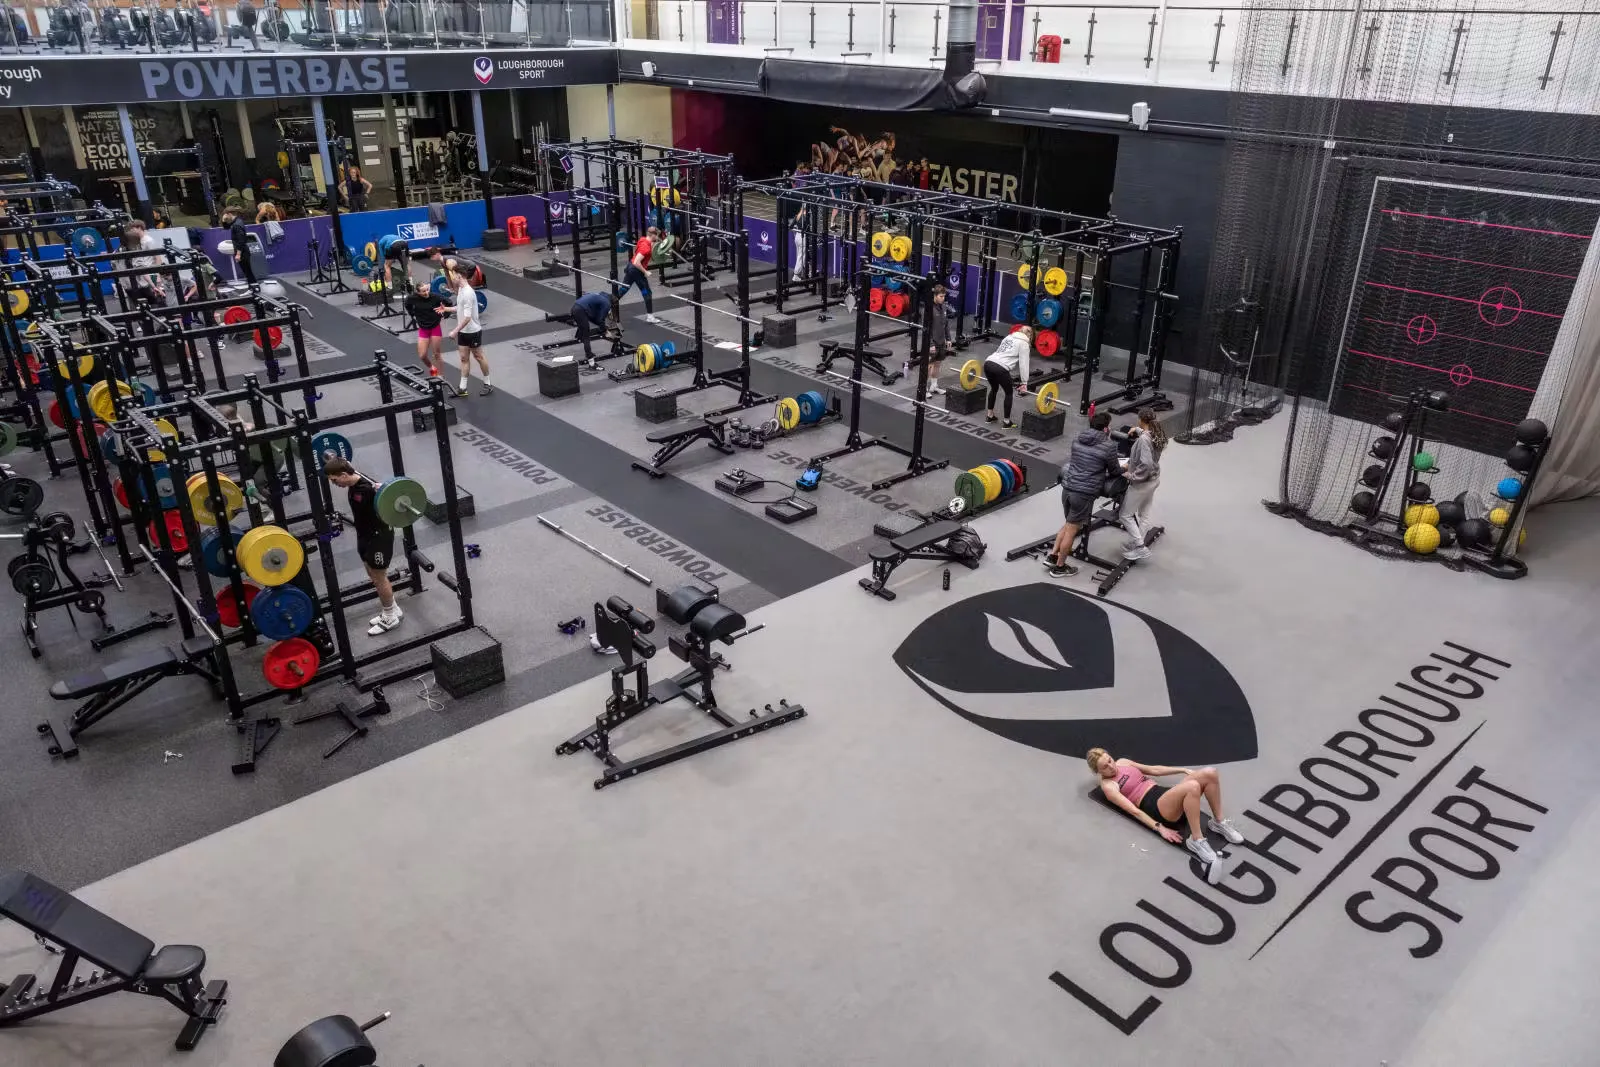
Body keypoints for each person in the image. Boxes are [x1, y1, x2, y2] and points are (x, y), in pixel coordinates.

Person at [1087, 748, 1245, 885]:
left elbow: (1153, 770)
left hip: (1163, 794)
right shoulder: (1109, 787)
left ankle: (1218, 822)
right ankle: (1196, 840)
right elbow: (1134, 811)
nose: (1111, 766)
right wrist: (1160, 828)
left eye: (1109, 760)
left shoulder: (1123, 762)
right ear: (1098, 772)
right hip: (1155, 807)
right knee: (1193, 786)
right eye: (1105, 767)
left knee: (1210, 773)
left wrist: (1182, 770)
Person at [322, 457, 404, 637]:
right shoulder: (355, 481)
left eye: (335, 480)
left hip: (379, 537)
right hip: (364, 536)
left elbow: (394, 501)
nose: (334, 484)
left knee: (379, 577)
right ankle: (393, 608)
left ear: (344, 475)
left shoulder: (369, 489)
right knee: (371, 573)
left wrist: (384, 491)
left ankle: (390, 617)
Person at [1042, 410, 1123, 578]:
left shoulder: (1077, 439)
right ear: (1106, 429)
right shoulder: (1108, 446)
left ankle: (1053, 556)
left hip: (1068, 487)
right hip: (1083, 493)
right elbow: (1114, 470)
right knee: (1072, 529)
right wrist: (1125, 468)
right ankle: (1059, 567)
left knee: (1068, 524)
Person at [1119, 409, 1167, 562]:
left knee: (1125, 515)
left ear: (1141, 419)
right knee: (1144, 514)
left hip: (1142, 483)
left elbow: (1145, 463)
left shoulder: (1143, 440)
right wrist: (1137, 430)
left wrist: (1132, 476)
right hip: (1154, 480)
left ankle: (1140, 547)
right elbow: (1147, 435)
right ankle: (1136, 543)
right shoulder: (1157, 432)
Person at [441, 269, 490, 396]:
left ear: (460, 277)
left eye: (453, 276)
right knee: (464, 358)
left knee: (479, 357)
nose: (452, 279)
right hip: (463, 331)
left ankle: (488, 384)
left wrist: (455, 331)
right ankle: (463, 389)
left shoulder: (468, 293)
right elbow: (460, 308)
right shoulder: (461, 290)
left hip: (473, 331)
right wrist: (446, 309)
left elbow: (467, 318)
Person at [903, 284, 953, 396]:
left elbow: (946, 324)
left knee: (937, 364)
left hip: (941, 342)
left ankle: (934, 386)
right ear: (935, 295)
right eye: (941, 296)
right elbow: (926, 329)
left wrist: (948, 338)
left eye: (944, 296)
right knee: (929, 365)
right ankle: (923, 388)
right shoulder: (928, 309)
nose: (943, 298)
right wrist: (930, 344)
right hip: (931, 343)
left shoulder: (944, 307)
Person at [983, 325, 1031, 428]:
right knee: (1009, 393)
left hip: (988, 363)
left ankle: (990, 416)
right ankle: (1006, 422)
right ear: (1029, 335)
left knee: (994, 388)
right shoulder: (1024, 344)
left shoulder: (1008, 337)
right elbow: (1024, 364)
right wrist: (1024, 383)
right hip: (1000, 368)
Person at [615, 225, 660, 323]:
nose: (657, 237)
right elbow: (637, 262)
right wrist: (645, 272)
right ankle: (650, 317)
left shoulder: (642, 239)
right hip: (636, 270)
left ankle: (608, 307)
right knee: (647, 292)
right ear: (653, 235)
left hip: (630, 268)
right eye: (657, 235)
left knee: (624, 289)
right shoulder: (646, 248)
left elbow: (643, 253)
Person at [404, 280, 447, 377]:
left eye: (427, 290)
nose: (426, 292)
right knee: (422, 355)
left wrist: (445, 314)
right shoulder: (412, 298)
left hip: (435, 327)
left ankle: (440, 376)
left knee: (437, 354)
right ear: (418, 292)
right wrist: (412, 313)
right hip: (423, 329)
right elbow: (407, 304)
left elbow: (449, 302)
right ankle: (432, 367)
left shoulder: (435, 297)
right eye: (423, 291)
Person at [121, 220, 166, 305]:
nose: (131, 231)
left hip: (151, 274)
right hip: (143, 275)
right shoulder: (137, 242)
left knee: (156, 299)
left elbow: (157, 258)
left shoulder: (148, 241)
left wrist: (158, 275)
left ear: (139, 228)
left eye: (132, 229)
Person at [570, 289, 617, 362]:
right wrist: (605, 331)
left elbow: (595, 317)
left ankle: (581, 338)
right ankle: (589, 355)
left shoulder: (600, 296)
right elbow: (600, 319)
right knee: (586, 334)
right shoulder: (607, 303)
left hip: (574, 307)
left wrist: (602, 326)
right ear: (612, 303)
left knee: (584, 328)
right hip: (581, 311)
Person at [220, 207, 258, 285]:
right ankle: (252, 287)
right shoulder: (236, 221)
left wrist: (238, 254)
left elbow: (241, 240)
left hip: (242, 252)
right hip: (242, 251)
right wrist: (223, 220)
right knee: (247, 272)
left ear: (229, 214)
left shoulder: (236, 225)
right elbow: (227, 227)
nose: (225, 216)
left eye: (225, 215)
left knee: (248, 272)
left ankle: (254, 287)